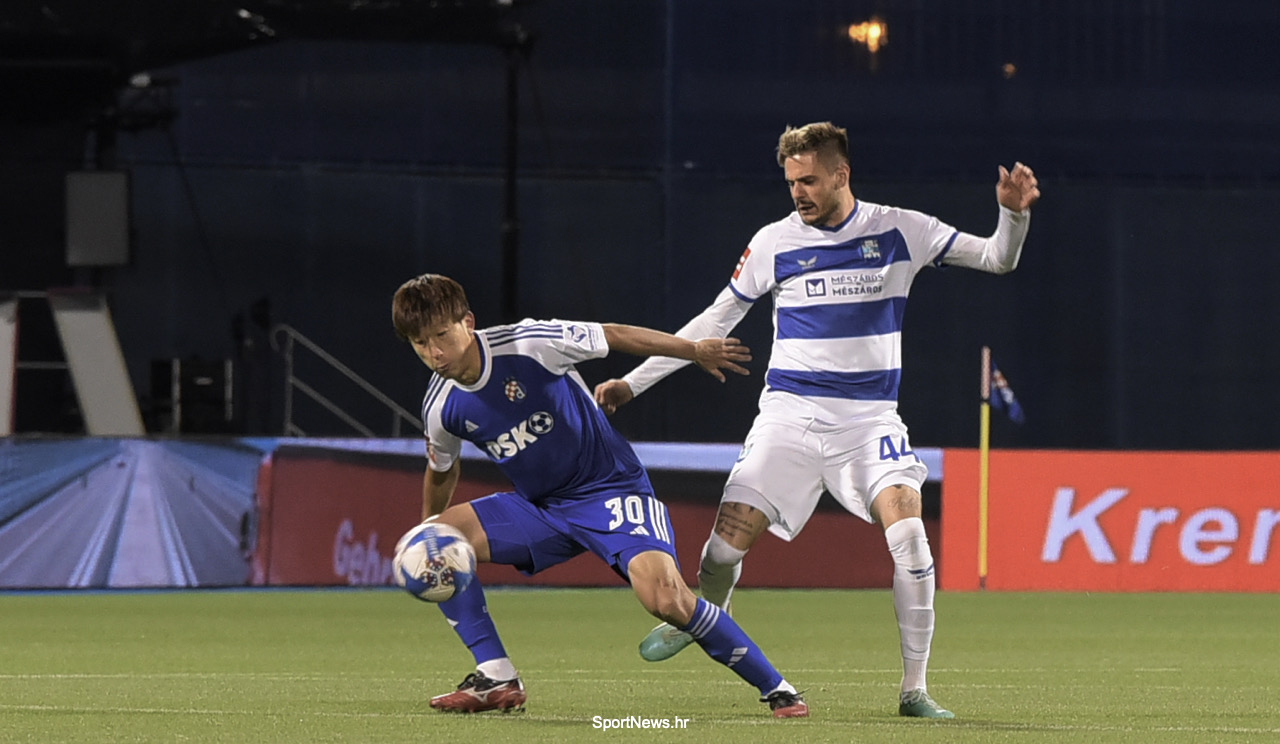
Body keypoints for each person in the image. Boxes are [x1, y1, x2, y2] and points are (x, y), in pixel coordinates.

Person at [594, 121, 1041, 720]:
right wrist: (632, 381)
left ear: (840, 174)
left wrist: (1013, 217)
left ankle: (914, 690)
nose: (798, 192)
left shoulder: (900, 229)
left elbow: (996, 259)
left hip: (870, 421)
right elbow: (715, 319)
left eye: (808, 180)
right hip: (790, 417)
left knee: (910, 537)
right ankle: (704, 616)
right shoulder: (774, 242)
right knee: (722, 550)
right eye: (791, 182)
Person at [390, 273, 809, 719]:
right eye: (420, 343)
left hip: (610, 491)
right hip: (541, 508)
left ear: (467, 322)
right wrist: (426, 535)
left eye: (441, 335)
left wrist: (693, 350)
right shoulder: (440, 405)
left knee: (667, 600)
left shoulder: (528, 344)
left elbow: (613, 334)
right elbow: (441, 469)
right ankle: (496, 676)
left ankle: (778, 689)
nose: (434, 353)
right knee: (441, 539)